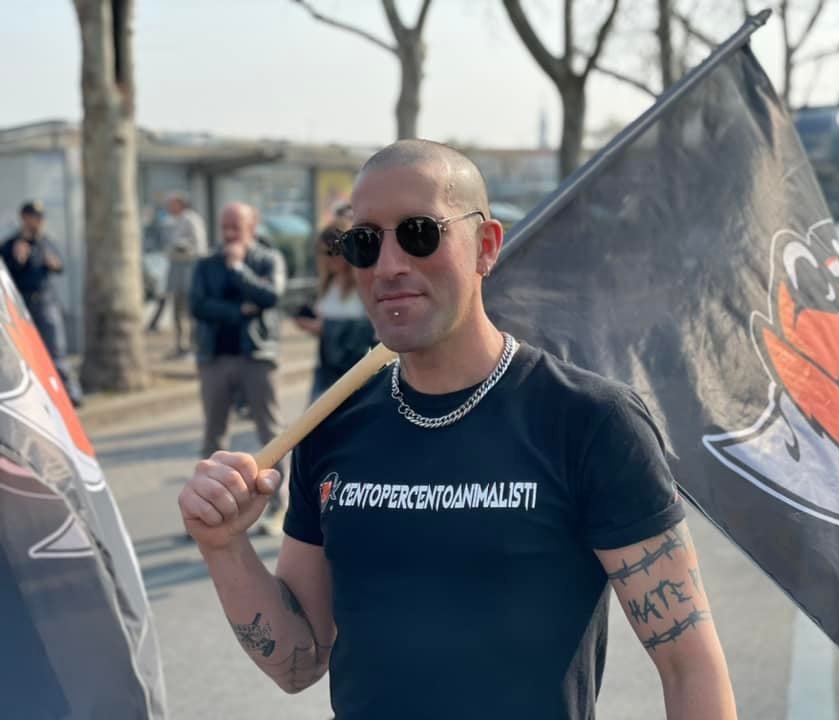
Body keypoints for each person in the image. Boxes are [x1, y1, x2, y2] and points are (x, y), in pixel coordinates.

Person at [178, 141, 737, 718]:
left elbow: (690, 665)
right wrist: (224, 545)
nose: (389, 265)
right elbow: (298, 663)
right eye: (365, 242)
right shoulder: (331, 425)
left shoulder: (591, 422)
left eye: (419, 233)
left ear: (485, 246)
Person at [188, 202, 287, 536]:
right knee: (214, 435)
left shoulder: (267, 259)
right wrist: (240, 311)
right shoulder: (206, 264)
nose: (229, 233)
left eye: (237, 227)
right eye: (225, 226)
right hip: (215, 357)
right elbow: (198, 305)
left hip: (257, 355)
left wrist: (239, 269)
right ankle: (209, 507)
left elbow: (272, 296)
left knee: (270, 431)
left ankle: (281, 506)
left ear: (252, 227)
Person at [1, 201, 83, 407]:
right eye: (33, 217)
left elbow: (59, 266)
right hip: (20, 305)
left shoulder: (45, 243)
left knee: (56, 351)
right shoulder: (11, 244)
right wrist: (16, 259)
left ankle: (70, 395)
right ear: (24, 218)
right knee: (23, 355)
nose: (37, 222)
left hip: (45, 301)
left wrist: (52, 262)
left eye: (40, 218)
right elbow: (6, 273)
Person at [295, 222, 375, 403]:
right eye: (325, 253)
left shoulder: (363, 284)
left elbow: (370, 329)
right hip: (327, 368)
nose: (331, 259)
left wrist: (325, 327)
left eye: (335, 252)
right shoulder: (327, 285)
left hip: (357, 369)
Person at [162, 192, 207, 357]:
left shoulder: (192, 219)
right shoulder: (170, 221)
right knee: (177, 310)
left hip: (190, 269)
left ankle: (194, 345)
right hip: (176, 269)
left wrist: (184, 248)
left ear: (180, 203)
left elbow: (200, 247)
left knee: (191, 310)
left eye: (172, 203)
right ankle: (180, 345)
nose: (169, 207)